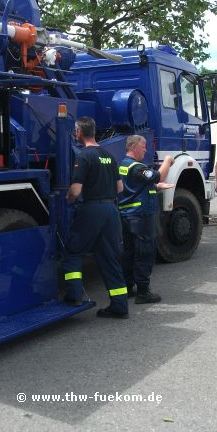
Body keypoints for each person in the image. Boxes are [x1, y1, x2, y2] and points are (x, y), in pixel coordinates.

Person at [61, 116, 129, 319]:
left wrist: (69, 198)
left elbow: (76, 190)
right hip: (111, 211)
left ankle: (73, 296)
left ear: (78, 133)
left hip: (92, 210)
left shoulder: (84, 156)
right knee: (110, 259)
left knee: (73, 252)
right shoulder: (109, 155)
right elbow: (120, 188)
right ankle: (120, 306)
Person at [118, 135, 174, 304]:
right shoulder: (137, 166)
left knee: (129, 252)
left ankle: (127, 287)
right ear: (134, 147)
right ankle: (143, 292)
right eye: (143, 147)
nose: (145, 150)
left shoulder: (123, 165)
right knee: (145, 251)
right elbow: (159, 176)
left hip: (128, 215)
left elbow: (136, 185)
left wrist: (155, 186)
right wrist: (168, 161)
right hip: (140, 215)